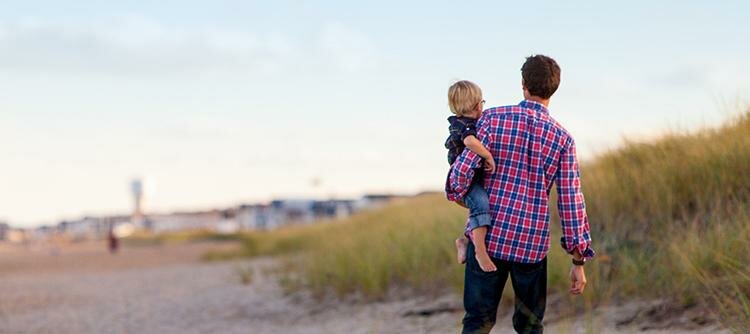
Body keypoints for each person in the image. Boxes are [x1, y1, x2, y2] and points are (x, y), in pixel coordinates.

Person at [446, 55, 595, 334]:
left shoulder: (491, 118)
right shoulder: (563, 139)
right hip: (532, 244)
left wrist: (459, 194)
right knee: (529, 326)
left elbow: (460, 173)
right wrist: (578, 261)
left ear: (523, 84)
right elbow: (571, 202)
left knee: (477, 322)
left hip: (489, 238)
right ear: (554, 89)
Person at [444, 80, 497, 272]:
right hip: (465, 181)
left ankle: (464, 241)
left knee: (478, 207)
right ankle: (480, 252)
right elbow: (470, 143)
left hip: (471, 178)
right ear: (477, 105)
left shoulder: (464, 122)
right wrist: (487, 155)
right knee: (481, 204)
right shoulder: (465, 125)